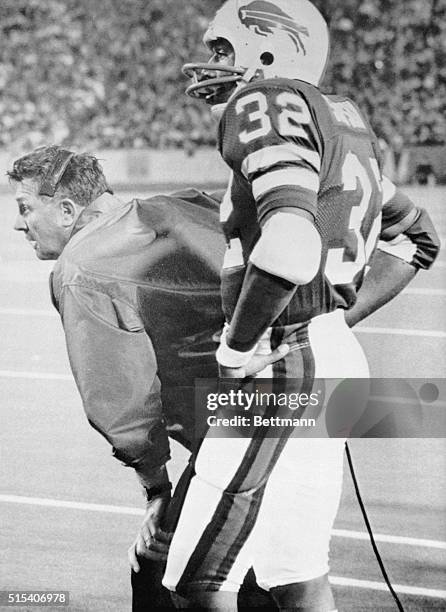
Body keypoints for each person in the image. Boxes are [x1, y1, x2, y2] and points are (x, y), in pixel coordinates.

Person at [163, 1, 441, 610]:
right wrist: (334, 317)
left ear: (271, 50)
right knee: (297, 574)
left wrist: (241, 345)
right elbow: (420, 238)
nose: (213, 64)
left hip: (281, 360)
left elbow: (290, 248)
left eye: (223, 48)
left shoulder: (262, 103)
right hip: (329, 353)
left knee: (198, 583)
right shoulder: (341, 120)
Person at [8, 144, 289, 611]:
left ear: (65, 209)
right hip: (308, 396)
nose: (19, 224)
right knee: (283, 576)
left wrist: (157, 489)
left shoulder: (82, 267)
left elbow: (122, 401)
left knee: (164, 576)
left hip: (236, 432)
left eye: (25, 209)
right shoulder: (187, 203)